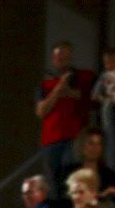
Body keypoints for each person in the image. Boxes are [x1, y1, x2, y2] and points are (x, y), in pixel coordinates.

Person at [36, 41, 95, 191]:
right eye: (59, 58)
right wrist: (57, 90)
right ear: (53, 59)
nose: (63, 62)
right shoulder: (46, 84)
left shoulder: (84, 77)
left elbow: (93, 101)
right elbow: (41, 111)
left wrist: (69, 91)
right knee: (53, 181)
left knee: (73, 177)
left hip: (75, 136)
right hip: (51, 139)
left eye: (66, 58)